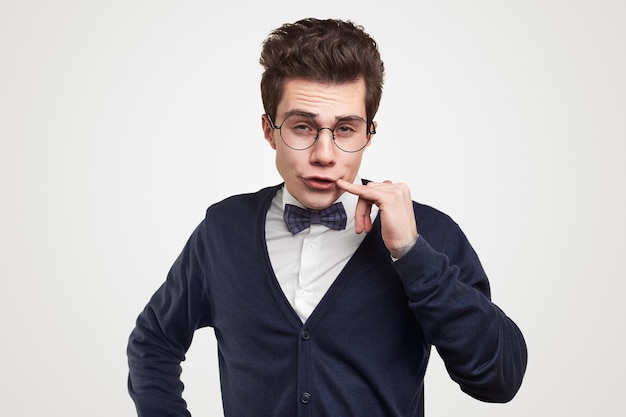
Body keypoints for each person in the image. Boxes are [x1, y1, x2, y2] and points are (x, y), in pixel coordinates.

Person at [127, 17, 527, 417]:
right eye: (303, 127)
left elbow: (498, 380)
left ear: (368, 135)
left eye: (345, 129)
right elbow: (154, 340)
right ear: (269, 130)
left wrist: (411, 253)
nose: (324, 154)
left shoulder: (430, 233)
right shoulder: (222, 231)